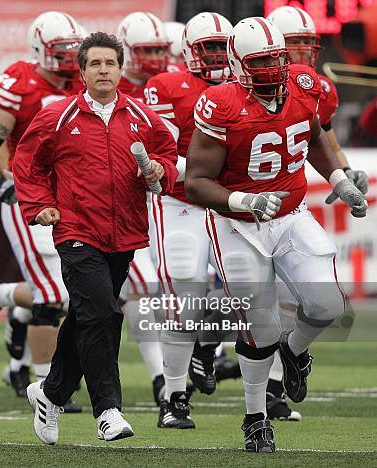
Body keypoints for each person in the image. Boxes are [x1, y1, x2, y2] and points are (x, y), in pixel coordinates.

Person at [185, 17, 367, 452]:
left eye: (277, 59)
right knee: (260, 325)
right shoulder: (219, 104)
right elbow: (195, 181)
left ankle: (295, 350)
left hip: (289, 212)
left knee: (326, 303)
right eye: (261, 62)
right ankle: (255, 418)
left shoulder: (304, 86)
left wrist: (339, 179)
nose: (273, 69)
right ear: (239, 65)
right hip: (236, 224)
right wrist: (242, 202)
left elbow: (316, 135)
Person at [14, 31, 178, 445]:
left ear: (121, 69)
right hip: (76, 231)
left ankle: (50, 394)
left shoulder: (142, 116)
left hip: (124, 233)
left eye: (110, 63)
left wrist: (159, 171)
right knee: (102, 312)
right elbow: (27, 163)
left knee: (89, 316)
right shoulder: (58, 115)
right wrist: (40, 207)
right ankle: (108, 410)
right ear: (82, 71)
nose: (103, 70)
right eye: (95, 64)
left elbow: (168, 157)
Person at [0, 11, 83, 410]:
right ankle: (48, 388)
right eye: (61, 51)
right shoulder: (21, 81)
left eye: (74, 50)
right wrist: (2, 183)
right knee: (51, 296)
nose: (70, 59)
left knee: (81, 293)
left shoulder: (89, 79)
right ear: (40, 51)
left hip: (76, 197)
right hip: (31, 194)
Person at [144, 11, 232, 429]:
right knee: (183, 299)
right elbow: (158, 150)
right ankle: (174, 397)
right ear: (189, 51)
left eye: (221, 46)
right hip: (182, 203)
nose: (216, 55)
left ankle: (208, 345)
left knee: (256, 291)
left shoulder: (246, 87)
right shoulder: (166, 87)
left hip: (232, 205)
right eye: (208, 47)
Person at [116, 11, 170, 406]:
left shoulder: (171, 85)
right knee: (143, 288)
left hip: (167, 199)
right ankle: (161, 377)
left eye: (159, 49)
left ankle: (187, 365)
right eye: (146, 50)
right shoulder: (107, 89)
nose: (154, 57)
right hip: (121, 204)